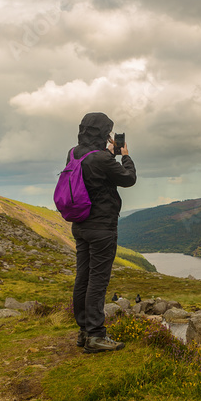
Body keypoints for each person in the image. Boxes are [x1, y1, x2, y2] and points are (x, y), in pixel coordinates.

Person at [69, 112, 137, 353]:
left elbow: (92, 165)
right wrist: (125, 156)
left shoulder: (75, 153)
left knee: (83, 279)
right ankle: (96, 336)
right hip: (102, 228)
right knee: (97, 282)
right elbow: (128, 179)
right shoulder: (102, 159)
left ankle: (84, 331)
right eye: (108, 132)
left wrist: (107, 153)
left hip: (80, 226)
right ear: (103, 133)